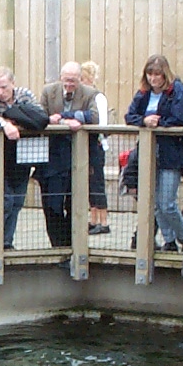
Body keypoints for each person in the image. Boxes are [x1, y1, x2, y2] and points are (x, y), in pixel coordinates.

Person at [125, 54, 183, 253]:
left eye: (157, 74)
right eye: (150, 74)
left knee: (167, 203)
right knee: (155, 204)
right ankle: (170, 241)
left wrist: (159, 122)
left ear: (165, 74)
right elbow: (130, 115)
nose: (153, 78)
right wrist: (144, 121)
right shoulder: (143, 93)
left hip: (170, 154)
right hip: (148, 154)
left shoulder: (177, 91)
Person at [35, 61, 101, 250]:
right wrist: (60, 121)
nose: (69, 84)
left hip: (77, 158)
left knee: (74, 205)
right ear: (61, 78)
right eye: (66, 80)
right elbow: (41, 117)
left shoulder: (90, 93)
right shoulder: (49, 91)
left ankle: (73, 247)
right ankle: (58, 246)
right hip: (52, 159)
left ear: (80, 79)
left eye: (73, 80)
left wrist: (67, 117)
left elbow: (95, 117)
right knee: (52, 205)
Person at [0, 66, 39, 250]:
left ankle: (6, 242)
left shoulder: (25, 94)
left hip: (23, 155)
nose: (0, 92)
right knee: (4, 200)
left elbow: (37, 117)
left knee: (17, 202)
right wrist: (6, 124)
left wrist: (11, 118)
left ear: (13, 83)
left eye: (4, 87)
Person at [81, 61, 111, 236]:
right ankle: (93, 220)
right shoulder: (83, 97)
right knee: (89, 183)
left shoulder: (98, 97)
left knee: (97, 182)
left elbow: (102, 122)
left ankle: (104, 221)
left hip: (97, 145)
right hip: (86, 145)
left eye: (83, 79)